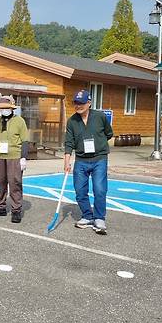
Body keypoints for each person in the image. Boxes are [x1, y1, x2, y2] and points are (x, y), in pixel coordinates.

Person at [64, 89, 113, 235]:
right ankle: (87, 216)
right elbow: (69, 142)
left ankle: (99, 218)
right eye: (76, 103)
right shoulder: (72, 121)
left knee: (99, 189)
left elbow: (108, 133)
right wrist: (67, 161)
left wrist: (99, 144)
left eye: (82, 103)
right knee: (80, 191)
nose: (78, 106)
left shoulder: (100, 117)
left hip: (99, 159)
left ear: (89, 103)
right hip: (81, 160)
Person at [0, 96, 29, 223]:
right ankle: (0, 207)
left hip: (14, 157)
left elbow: (25, 140)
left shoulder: (19, 121)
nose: (4, 110)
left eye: (6, 108)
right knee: (0, 182)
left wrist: (23, 157)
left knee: (15, 183)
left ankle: (16, 210)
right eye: (1, 108)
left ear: (11, 108)